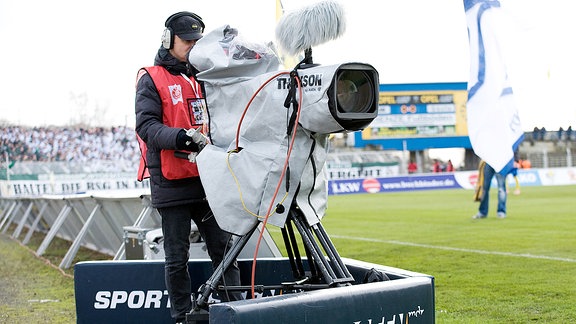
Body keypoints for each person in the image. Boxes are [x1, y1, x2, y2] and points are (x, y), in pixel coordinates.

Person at [135, 11, 242, 323]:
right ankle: (182, 315)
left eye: (197, 40)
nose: (193, 46)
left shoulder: (206, 75)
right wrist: (182, 138)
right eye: (187, 41)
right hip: (172, 182)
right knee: (176, 257)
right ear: (168, 41)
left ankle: (235, 310)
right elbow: (147, 127)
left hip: (208, 179)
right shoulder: (151, 77)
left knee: (225, 250)